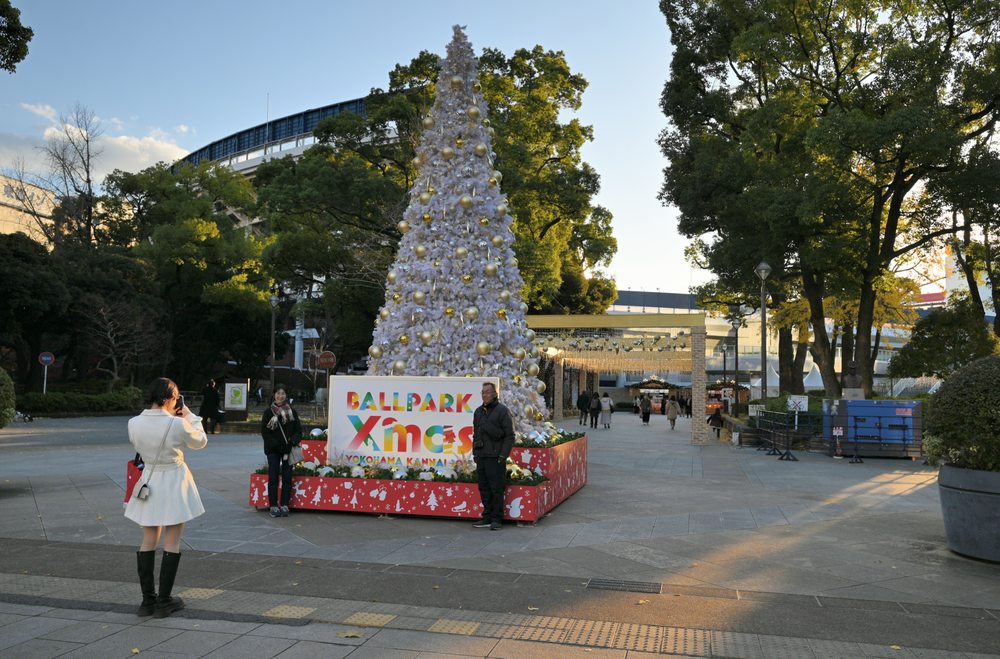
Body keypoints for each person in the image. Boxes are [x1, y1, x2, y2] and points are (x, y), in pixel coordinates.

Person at [125, 377, 207, 619]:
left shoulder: (133, 423)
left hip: (148, 481)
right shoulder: (177, 424)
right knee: (172, 541)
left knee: (148, 539)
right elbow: (200, 442)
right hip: (174, 482)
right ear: (170, 398)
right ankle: (164, 601)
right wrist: (190, 416)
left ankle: (147, 601)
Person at [471, 382, 515, 531]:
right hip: (482, 455)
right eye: (482, 392)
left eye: (487, 392)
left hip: (495, 457)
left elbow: (509, 436)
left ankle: (497, 518)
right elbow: (475, 434)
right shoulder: (478, 412)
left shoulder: (502, 411)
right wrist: (475, 453)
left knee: (496, 488)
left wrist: (503, 455)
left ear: (495, 394)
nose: (484, 395)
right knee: (483, 487)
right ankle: (487, 516)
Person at [261, 385, 303, 518]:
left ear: (286, 395)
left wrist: (291, 443)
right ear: (274, 395)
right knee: (273, 477)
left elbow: (298, 431)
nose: (280, 396)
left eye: (283, 393)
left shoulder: (292, 411)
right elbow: (265, 433)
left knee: (287, 478)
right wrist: (279, 446)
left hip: (288, 449)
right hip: (273, 450)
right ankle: (273, 505)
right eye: (278, 393)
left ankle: (284, 504)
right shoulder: (268, 412)